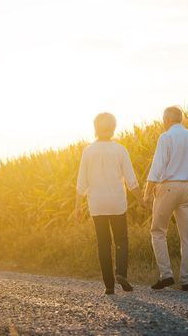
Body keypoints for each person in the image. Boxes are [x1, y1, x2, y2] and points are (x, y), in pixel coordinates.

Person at [74, 112, 146, 295]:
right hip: (116, 203)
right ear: (113, 128)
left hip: (97, 205)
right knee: (121, 239)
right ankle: (121, 273)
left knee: (103, 243)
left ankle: (109, 285)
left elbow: (82, 181)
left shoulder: (88, 151)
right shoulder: (120, 150)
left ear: (96, 128)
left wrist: (77, 206)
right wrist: (140, 199)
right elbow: (131, 180)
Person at [144, 106, 188, 291]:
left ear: (167, 119)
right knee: (187, 236)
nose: (163, 122)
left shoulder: (166, 137)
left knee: (158, 231)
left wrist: (147, 192)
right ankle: (187, 280)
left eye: (164, 119)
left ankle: (166, 275)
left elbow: (157, 166)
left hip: (169, 187)